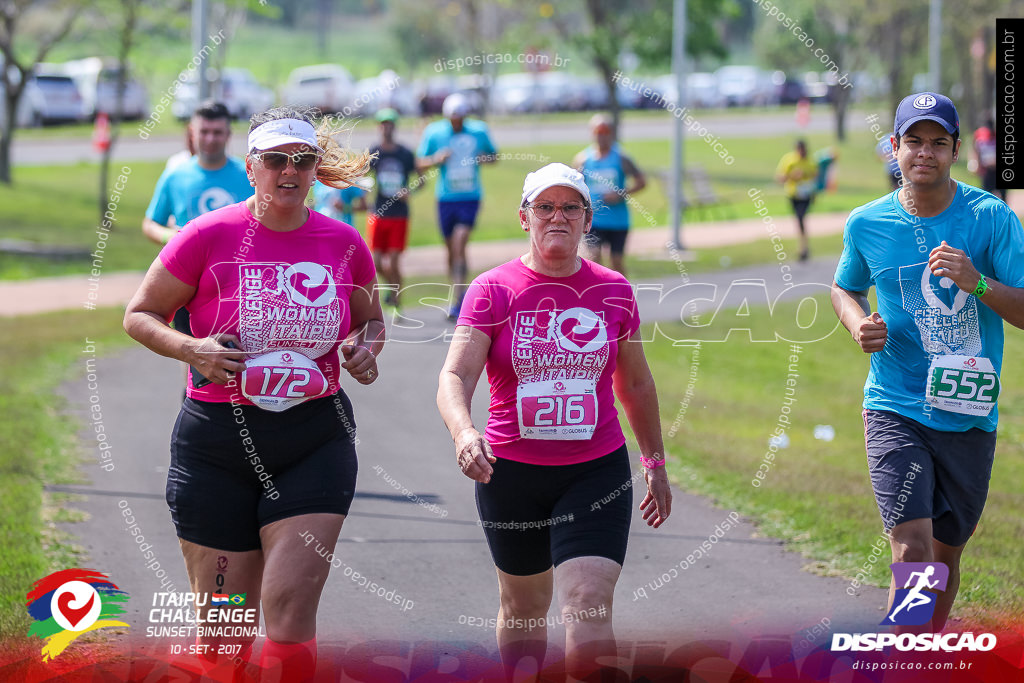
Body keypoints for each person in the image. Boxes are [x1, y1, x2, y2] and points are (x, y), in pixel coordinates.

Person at [124, 105, 385, 682]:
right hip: (216, 445)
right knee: (224, 636)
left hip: (313, 440)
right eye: (275, 160)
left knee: (289, 609)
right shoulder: (205, 236)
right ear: (251, 167)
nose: (289, 171)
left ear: (316, 168)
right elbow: (139, 315)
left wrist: (366, 348)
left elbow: (370, 318)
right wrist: (193, 349)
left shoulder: (343, 243)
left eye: (303, 160)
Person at [437, 163, 672, 679]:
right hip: (511, 474)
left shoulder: (613, 290)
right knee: (523, 608)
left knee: (587, 600)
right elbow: (454, 376)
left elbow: (634, 384)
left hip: (595, 470)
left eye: (570, 207)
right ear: (525, 217)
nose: (557, 217)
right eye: (546, 207)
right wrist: (464, 432)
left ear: (587, 219)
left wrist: (654, 461)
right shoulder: (493, 289)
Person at [831, 92, 1024, 633]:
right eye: (913, 141)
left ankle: (922, 647)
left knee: (944, 554)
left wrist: (978, 282)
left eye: (938, 143)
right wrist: (857, 322)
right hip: (895, 405)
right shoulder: (867, 223)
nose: (925, 153)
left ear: (956, 150)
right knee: (912, 549)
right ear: (894, 148)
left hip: (968, 410)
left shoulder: (990, 219)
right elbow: (844, 288)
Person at [143, 100, 253, 340]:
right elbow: (150, 223)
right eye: (204, 132)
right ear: (192, 133)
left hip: (241, 281)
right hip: (188, 280)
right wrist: (171, 237)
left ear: (228, 134)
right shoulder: (176, 176)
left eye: (217, 132)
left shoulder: (250, 176)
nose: (211, 139)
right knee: (191, 349)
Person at [416, 92, 498, 320]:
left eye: (460, 118)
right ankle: (458, 292)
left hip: (470, 196)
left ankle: (461, 299)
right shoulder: (435, 132)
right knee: (451, 249)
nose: (457, 123)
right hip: (445, 198)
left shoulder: (479, 131)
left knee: (461, 241)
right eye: (453, 119)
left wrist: (484, 158)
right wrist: (436, 160)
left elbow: (494, 156)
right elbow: (420, 161)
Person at [573, 114, 646, 277]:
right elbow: (575, 187)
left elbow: (642, 182)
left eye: (605, 131)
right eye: (598, 131)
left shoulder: (621, 158)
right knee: (593, 259)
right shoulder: (583, 159)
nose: (601, 135)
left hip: (618, 220)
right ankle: (597, 297)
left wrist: (620, 194)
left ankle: (623, 295)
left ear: (611, 133)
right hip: (595, 220)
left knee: (616, 261)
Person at [367, 107, 423, 311]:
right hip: (378, 212)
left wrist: (410, 191)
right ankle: (392, 288)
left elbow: (421, 179)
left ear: (394, 127)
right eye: (383, 124)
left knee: (393, 261)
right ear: (378, 127)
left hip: (399, 214)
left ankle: (396, 301)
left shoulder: (405, 154)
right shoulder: (374, 152)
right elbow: (363, 176)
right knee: (376, 261)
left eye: (389, 124)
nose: (386, 128)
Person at [775, 139, 817, 262]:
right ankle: (803, 247)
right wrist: (793, 175)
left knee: (801, 218)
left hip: (806, 195)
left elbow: (815, 177)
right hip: (793, 195)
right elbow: (780, 178)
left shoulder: (810, 161)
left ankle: (803, 248)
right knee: (799, 220)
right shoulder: (789, 160)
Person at [971, 119, 1006, 202]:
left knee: (1003, 195)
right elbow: (976, 150)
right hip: (986, 170)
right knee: (986, 194)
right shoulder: (979, 135)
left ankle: (1004, 213)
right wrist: (976, 164)